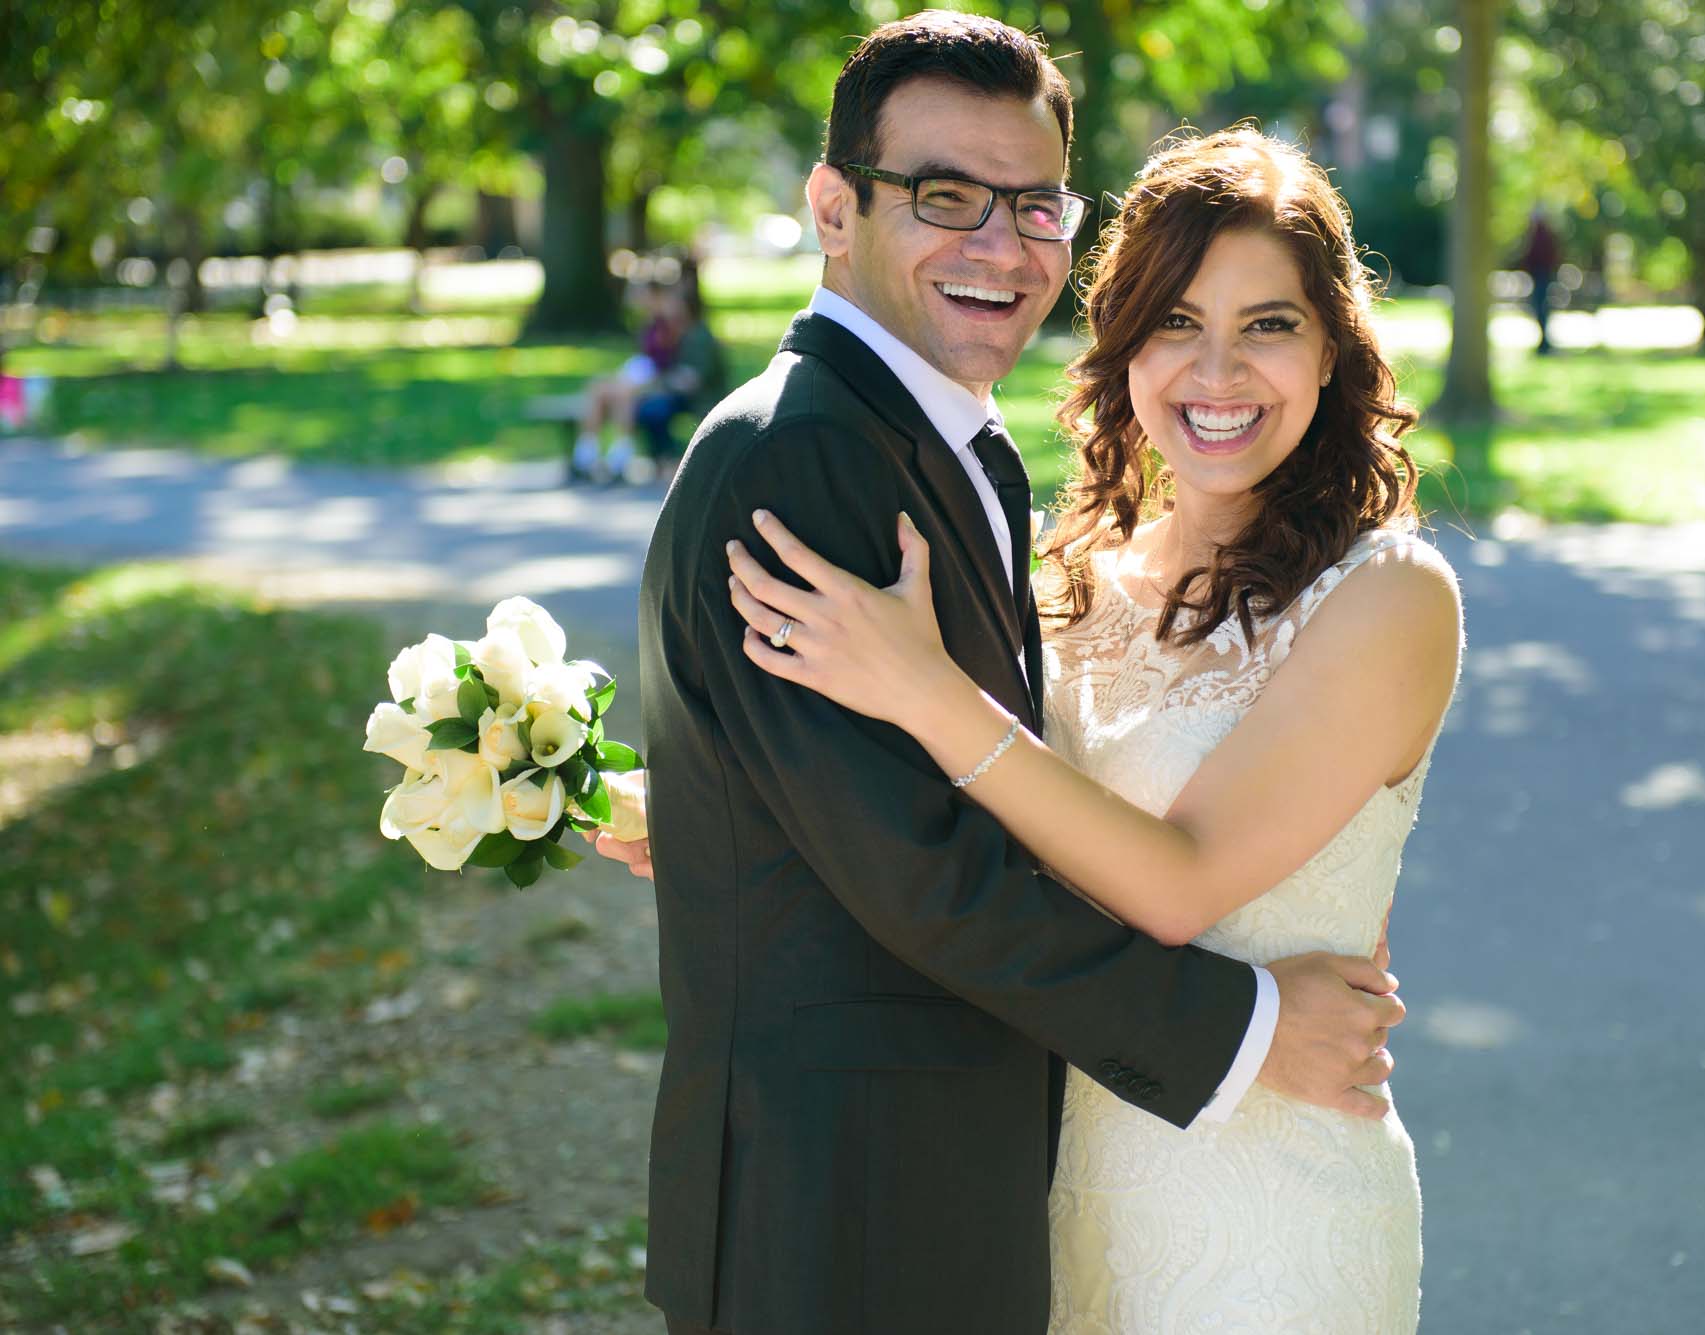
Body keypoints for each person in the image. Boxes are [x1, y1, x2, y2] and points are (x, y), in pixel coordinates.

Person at [587, 15, 1407, 1335]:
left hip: (996, 1181)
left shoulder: (949, 445)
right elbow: (924, 869)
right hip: (846, 1211)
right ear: (833, 208)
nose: (999, 244)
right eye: (943, 197)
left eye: (1033, 205)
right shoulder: (797, 459)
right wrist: (1245, 1027)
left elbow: (916, 796)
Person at [571, 278, 714, 484]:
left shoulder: (683, 330)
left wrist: (657, 380)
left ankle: (620, 454)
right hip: (651, 377)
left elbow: (683, 372)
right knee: (598, 389)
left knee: (624, 394)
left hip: (668, 386)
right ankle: (586, 454)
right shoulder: (653, 324)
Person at [1518, 204, 1561, 355]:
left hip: (1541, 275)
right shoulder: (1541, 233)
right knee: (1541, 309)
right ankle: (1543, 343)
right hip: (1541, 275)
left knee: (1541, 309)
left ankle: (1544, 344)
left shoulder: (1540, 234)